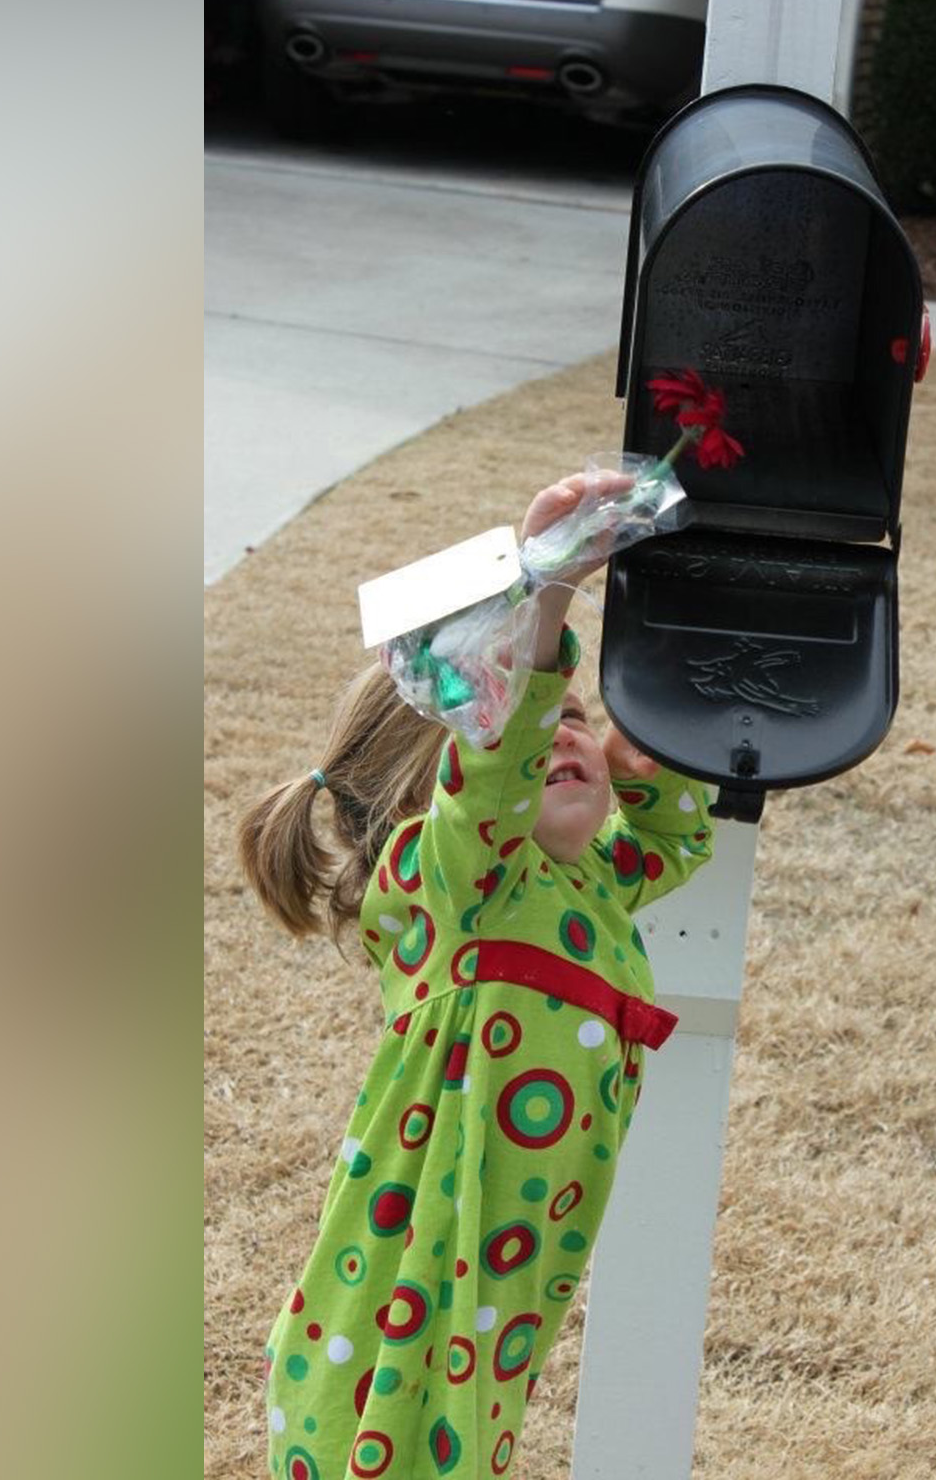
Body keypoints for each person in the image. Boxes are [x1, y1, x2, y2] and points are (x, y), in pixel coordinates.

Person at [238, 474, 716, 1480]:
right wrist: (545, 593)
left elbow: (674, 843)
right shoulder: (447, 877)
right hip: (393, 1313)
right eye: (548, 722)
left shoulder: (580, 883)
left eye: (580, 717)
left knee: (465, 1445)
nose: (567, 733)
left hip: (494, 1289)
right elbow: (493, 775)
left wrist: (648, 745)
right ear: (438, 778)